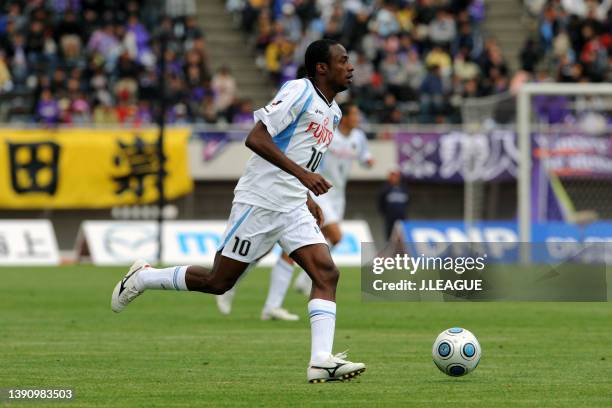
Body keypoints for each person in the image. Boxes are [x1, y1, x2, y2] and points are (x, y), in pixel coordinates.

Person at [111, 39, 366, 383]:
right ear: (322, 67)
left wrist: (305, 195)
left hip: (291, 205)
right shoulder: (299, 91)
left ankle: (320, 360)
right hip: (259, 201)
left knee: (326, 273)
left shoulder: (333, 112)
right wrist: (304, 176)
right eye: (343, 60)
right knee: (219, 281)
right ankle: (143, 277)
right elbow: (257, 138)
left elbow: (299, 151)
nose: (350, 67)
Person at [216, 101, 374, 320]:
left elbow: (366, 158)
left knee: (271, 247)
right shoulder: (329, 131)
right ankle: (297, 285)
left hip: (337, 196)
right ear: (346, 117)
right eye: (356, 113)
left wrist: (370, 161)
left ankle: (260, 293)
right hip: (314, 190)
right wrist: (304, 182)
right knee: (334, 237)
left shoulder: (358, 138)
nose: (359, 118)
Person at [378, 169, 409, 239]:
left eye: (396, 176)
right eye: (393, 175)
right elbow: (380, 203)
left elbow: (408, 201)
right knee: (390, 237)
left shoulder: (404, 188)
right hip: (390, 218)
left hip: (402, 218)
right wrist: (385, 213)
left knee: (402, 237)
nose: (395, 178)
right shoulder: (385, 188)